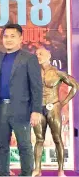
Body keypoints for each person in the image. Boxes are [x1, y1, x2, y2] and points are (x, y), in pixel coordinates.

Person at [0, 24, 43, 176]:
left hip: (21, 110)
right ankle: (3, 174)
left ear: (20, 39)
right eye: (6, 36)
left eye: (13, 36)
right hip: (1, 109)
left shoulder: (29, 58)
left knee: (24, 146)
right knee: (1, 146)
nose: (8, 39)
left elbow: (36, 86)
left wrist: (36, 110)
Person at [32, 47, 78, 177]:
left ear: (49, 55)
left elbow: (75, 85)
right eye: (36, 54)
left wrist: (63, 102)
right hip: (38, 108)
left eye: (41, 53)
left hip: (54, 108)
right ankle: (37, 169)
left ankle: (61, 171)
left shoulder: (58, 73)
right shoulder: (33, 73)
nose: (38, 55)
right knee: (39, 139)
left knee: (57, 139)